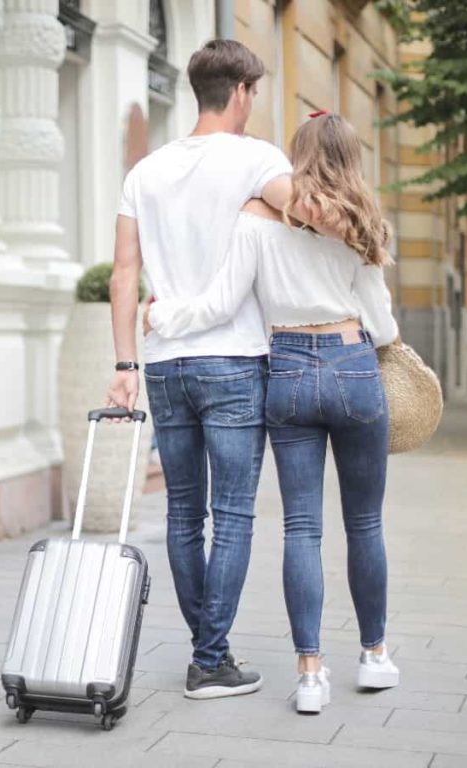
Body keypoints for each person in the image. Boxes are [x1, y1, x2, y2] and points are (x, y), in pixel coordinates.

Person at [147, 113, 401, 714]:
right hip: (352, 362)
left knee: (301, 529)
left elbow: (221, 303)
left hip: (285, 371)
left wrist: (162, 317)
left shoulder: (257, 219)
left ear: (295, 157)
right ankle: (374, 655)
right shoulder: (363, 224)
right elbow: (383, 322)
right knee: (364, 523)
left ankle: (310, 676)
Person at [105, 39, 302, 700]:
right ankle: (210, 658)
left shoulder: (146, 171)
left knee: (184, 514)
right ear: (241, 90)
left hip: (163, 361)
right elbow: (308, 213)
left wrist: (124, 364)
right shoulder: (257, 160)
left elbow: (124, 273)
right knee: (235, 513)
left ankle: (207, 649)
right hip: (236, 360)